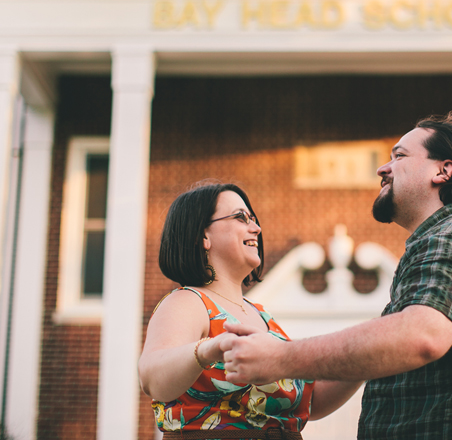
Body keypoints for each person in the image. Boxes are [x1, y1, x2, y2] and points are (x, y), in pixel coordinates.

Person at [220, 113, 452, 439]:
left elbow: (423, 335)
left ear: (443, 170)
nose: (382, 169)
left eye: (399, 156)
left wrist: (279, 358)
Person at [138, 182, 360, 439]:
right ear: (203, 236)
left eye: (253, 219)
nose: (256, 228)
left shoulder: (262, 315)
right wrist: (208, 349)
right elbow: (152, 378)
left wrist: (364, 358)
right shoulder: (188, 301)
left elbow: (311, 402)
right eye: (240, 217)